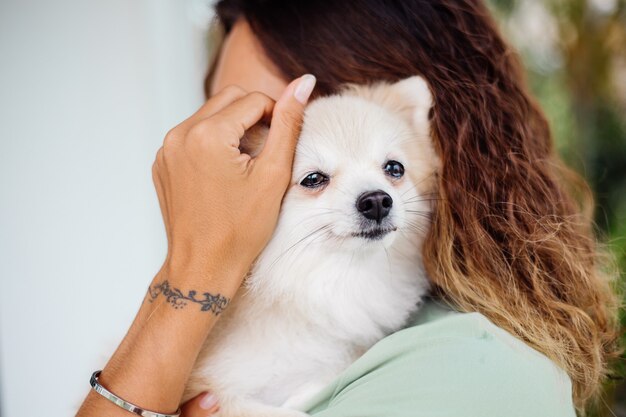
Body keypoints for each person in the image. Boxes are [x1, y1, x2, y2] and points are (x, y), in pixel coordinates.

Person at [77, 1, 621, 416]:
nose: (218, 157)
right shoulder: (304, 338)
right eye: (238, 126)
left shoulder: (472, 369)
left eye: (287, 113)